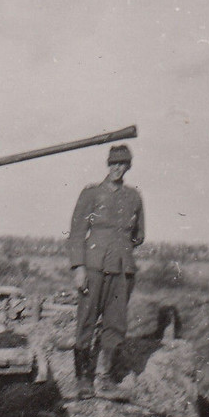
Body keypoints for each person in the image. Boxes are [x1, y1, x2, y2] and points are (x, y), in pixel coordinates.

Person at [67, 144, 145, 399]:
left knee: (116, 323)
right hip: (94, 266)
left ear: (128, 167)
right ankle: (83, 380)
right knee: (87, 319)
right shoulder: (91, 194)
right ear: (107, 165)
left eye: (122, 164)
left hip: (122, 268)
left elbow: (139, 235)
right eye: (113, 163)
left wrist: (121, 246)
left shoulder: (133, 197)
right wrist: (79, 267)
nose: (117, 168)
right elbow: (77, 233)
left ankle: (105, 377)